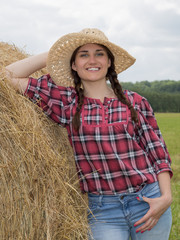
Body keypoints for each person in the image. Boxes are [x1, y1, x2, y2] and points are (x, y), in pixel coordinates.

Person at [5, 28, 173, 240]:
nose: (92, 60)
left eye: (99, 53)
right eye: (83, 54)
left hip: (148, 199)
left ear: (109, 62)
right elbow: (6, 76)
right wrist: (54, 54)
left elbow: (158, 153)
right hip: (104, 209)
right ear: (73, 64)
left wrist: (165, 197)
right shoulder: (66, 101)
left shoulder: (135, 102)